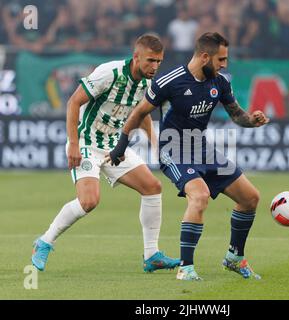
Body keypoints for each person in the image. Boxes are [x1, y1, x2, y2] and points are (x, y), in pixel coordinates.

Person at [106, 32, 269, 281]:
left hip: (202, 149)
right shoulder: (170, 81)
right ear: (205, 56)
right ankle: (186, 268)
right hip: (173, 150)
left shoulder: (220, 82)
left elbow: (237, 114)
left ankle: (234, 258)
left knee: (250, 198)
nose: (224, 65)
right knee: (200, 196)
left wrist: (251, 121)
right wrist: (121, 146)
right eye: (221, 59)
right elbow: (139, 113)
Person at [31, 34, 180, 273]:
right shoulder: (109, 72)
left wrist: (154, 142)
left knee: (152, 187)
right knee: (89, 201)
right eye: (150, 61)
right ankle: (45, 241)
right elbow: (73, 102)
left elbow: (140, 114)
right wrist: (73, 144)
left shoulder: (148, 84)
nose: (155, 67)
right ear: (136, 57)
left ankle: (151, 255)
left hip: (113, 147)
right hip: (86, 143)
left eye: (159, 62)